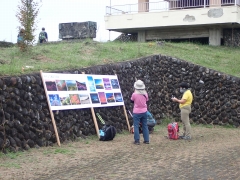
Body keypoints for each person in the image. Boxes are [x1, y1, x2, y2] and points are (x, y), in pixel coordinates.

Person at [131, 80, 149, 145]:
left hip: (136, 112)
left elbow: (132, 100)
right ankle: (146, 140)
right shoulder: (145, 94)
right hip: (144, 111)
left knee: (136, 126)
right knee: (145, 125)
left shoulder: (134, 94)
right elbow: (147, 101)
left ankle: (137, 140)